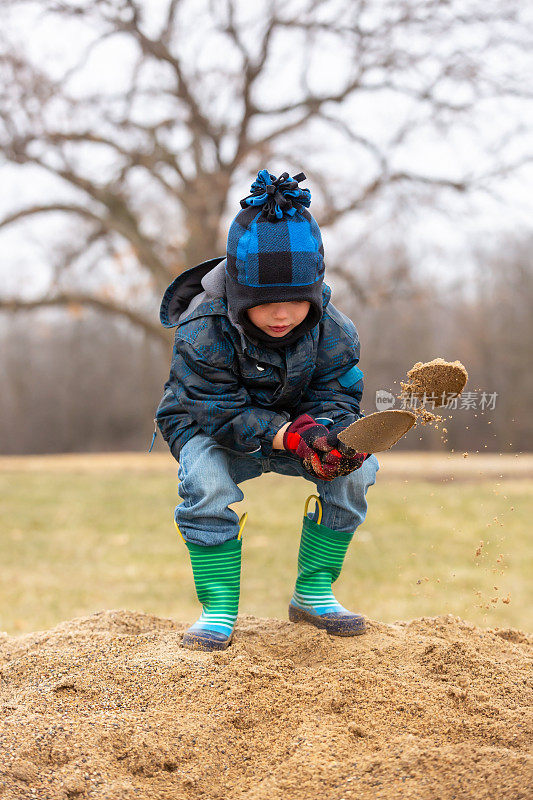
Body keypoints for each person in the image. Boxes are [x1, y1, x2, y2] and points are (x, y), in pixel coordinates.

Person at [152, 169, 380, 651]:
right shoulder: (202, 329)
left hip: (298, 429)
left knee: (358, 470)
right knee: (207, 481)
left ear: (314, 293)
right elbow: (217, 411)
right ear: (238, 297)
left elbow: (337, 393)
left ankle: (314, 592)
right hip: (207, 426)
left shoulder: (333, 328)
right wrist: (290, 436)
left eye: (296, 301)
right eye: (266, 303)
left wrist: (328, 434)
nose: (283, 315)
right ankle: (217, 607)